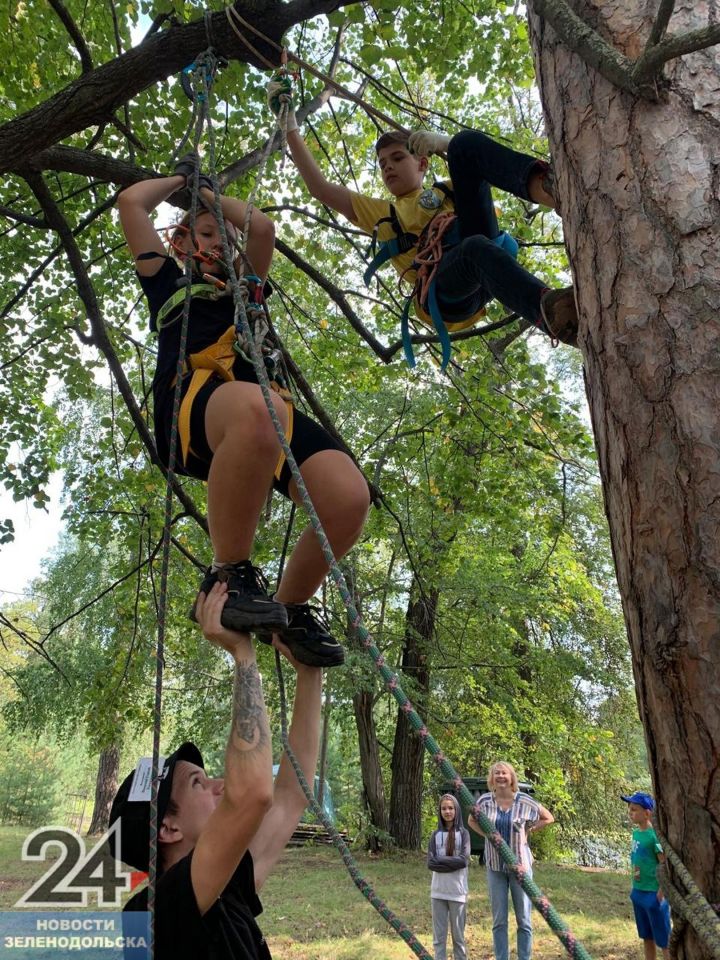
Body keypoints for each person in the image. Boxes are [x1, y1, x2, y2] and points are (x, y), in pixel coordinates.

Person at [117, 156, 369, 666]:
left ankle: (290, 611)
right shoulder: (166, 278)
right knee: (259, 411)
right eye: (207, 234)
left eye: (225, 236)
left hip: (263, 412)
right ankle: (229, 572)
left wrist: (209, 195)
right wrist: (184, 185)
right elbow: (131, 203)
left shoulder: (248, 287)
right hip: (195, 400)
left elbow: (263, 228)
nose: (221, 242)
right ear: (181, 243)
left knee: (347, 498)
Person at [266, 76, 578, 357]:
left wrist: (447, 144)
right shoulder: (385, 214)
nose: (387, 166)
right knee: (476, 249)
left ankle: (549, 187)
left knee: (465, 146)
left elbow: (482, 187)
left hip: (483, 254)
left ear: (423, 164)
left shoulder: (447, 191)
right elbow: (319, 187)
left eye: (398, 157)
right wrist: (289, 123)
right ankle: (550, 310)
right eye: (382, 163)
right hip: (444, 292)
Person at [109, 581, 323, 958]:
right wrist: (242, 652)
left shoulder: (228, 882)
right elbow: (253, 795)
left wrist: (310, 672)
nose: (219, 785)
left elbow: (291, 795)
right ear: (167, 828)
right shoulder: (153, 912)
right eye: (198, 783)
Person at [468, 761, 554, 960]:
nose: (500, 776)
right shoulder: (484, 801)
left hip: (520, 867)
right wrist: (486, 835)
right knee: (499, 920)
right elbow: (472, 820)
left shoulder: (523, 800)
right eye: (496, 773)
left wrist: (529, 830)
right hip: (495, 867)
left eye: (504, 773)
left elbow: (548, 817)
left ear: (511, 777)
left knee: (524, 919)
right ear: (492, 779)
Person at [620, 791, 671, 960]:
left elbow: (664, 864)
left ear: (647, 813)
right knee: (646, 937)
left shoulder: (654, 837)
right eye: (630, 809)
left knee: (664, 940)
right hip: (638, 892)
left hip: (653, 894)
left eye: (634, 809)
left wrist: (662, 891)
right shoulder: (636, 834)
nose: (630, 813)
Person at [427, 793, 471, 960]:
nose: (447, 811)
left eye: (450, 808)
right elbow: (430, 864)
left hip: (457, 892)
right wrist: (452, 861)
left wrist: (440, 860)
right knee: (439, 939)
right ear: (440, 811)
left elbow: (463, 861)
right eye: (444, 808)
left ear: (456, 810)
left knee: (458, 938)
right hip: (438, 892)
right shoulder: (435, 835)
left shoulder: (464, 834)